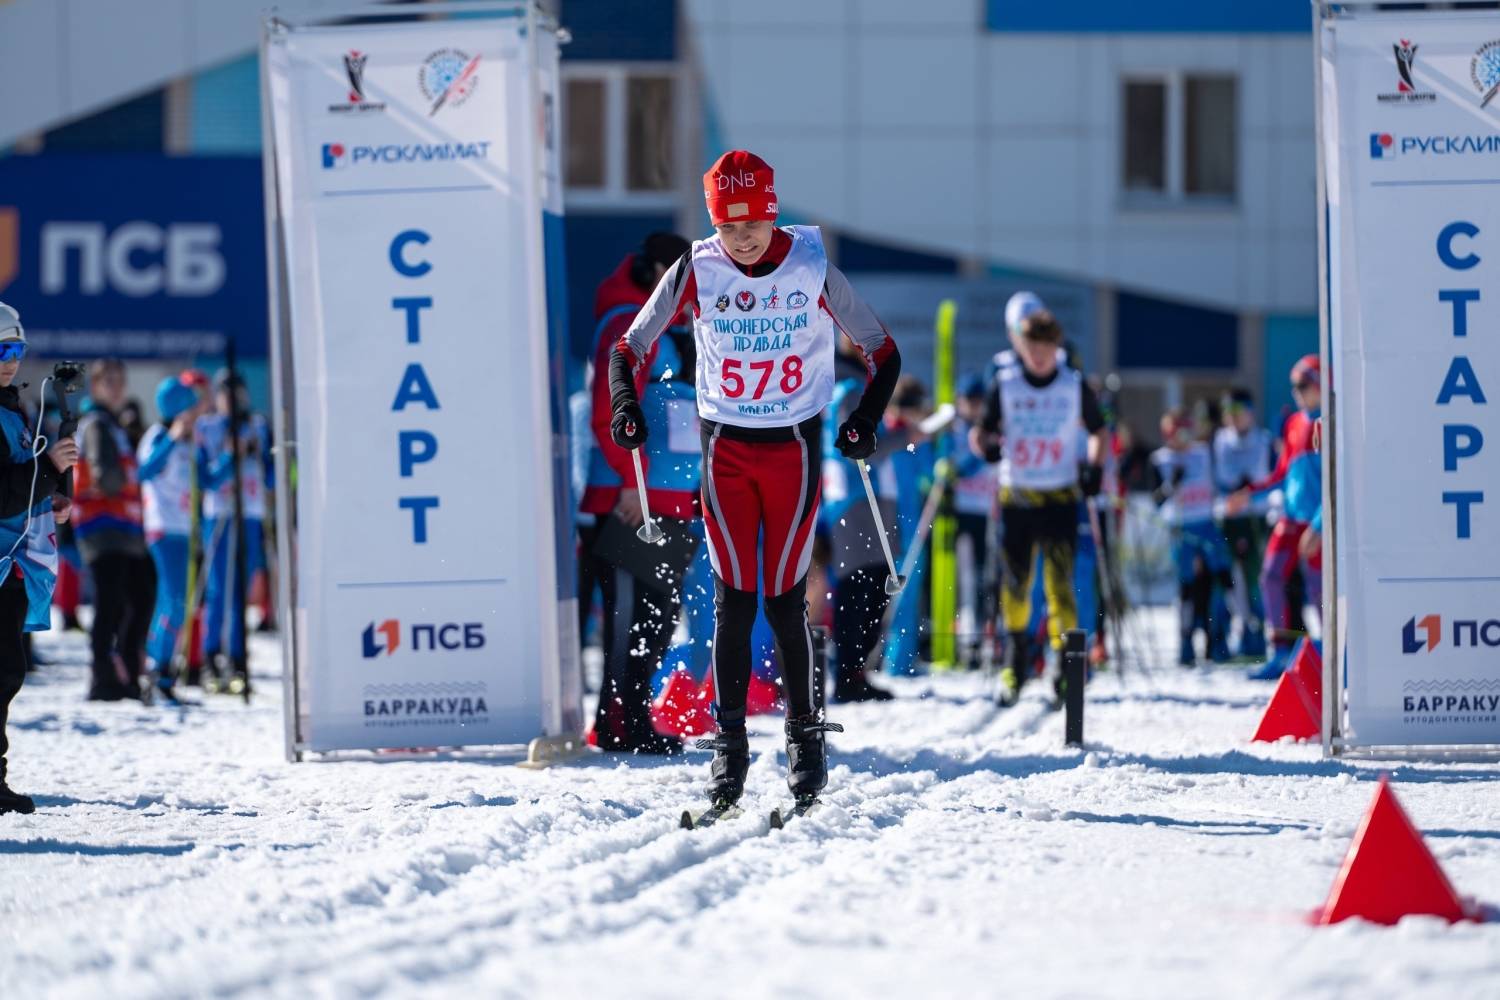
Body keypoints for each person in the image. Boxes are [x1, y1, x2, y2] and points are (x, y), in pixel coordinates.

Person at [610, 150, 901, 807]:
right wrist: (626, 406)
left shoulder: (810, 264)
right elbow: (628, 347)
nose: (741, 240)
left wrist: (865, 419)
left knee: (784, 601)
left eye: (753, 225)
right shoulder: (697, 266)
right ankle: (730, 749)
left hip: (793, 448)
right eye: (728, 227)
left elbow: (883, 352)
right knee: (734, 603)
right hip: (726, 452)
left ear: (773, 214)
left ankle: (805, 739)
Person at [578, 232, 695, 753]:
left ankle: (635, 714)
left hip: (666, 498)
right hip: (631, 502)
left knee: (658, 619)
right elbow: (610, 409)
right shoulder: (629, 321)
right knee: (630, 620)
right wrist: (633, 480)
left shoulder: (668, 324)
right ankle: (619, 722)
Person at [970, 307, 1106, 707]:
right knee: (1016, 584)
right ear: (1022, 348)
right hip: (1018, 496)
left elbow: (1099, 431)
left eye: (1045, 348)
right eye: (1032, 348)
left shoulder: (1072, 384)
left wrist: (1095, 467)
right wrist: (987, 447)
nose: (1039, 356)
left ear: (1056, 347)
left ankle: (1064, 666)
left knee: (1060, 586)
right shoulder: (1006, 384)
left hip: (1059, 495)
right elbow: (981, 432)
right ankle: (1015, 661)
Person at [0, 303, 75, 813]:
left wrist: (48, 498)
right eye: (2, 349)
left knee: (6, 672)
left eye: (18, 349)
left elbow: (17, 488)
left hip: (10, 561)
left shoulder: (11, 409)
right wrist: (47, 468)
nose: (12, 360)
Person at [1232, 355, 1323, 680]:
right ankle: (1281, 652)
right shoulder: (1294, 423)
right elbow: (1282, 474)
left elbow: (1340, 483)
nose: (1297, 392)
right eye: (1294, 386)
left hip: (1318, 522)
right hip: (1292, 518)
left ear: (1320, 384)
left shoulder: (1331, 421)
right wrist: (1249, 493)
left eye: (1303, 385)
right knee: (1270, 576)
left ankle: (1335, 656)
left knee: (1320, 591)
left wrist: (1320, 525)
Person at [74, 358, 155, 701]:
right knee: (110, 604)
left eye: (120, 381)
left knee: (136, 598)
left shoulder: (115, 425)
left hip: (125, 528)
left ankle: (126, 670)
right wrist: (118, 482)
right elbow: (104, 473)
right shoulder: (96, 424)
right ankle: (104, 676)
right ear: (95, 386)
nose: (116, 388)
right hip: (102, 525)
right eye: (109, 381)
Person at [195, 370, 273, 687]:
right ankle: (211, 653)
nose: (232, 399)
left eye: (237, 392)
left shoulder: (257, 425)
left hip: (250, 512)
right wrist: (231, 455)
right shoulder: (207, 427)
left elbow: (272, 475)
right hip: (219, 514)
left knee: (242, 587)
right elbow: (206, 479)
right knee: (218, 588)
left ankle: (239, 655)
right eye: (225, 393)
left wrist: (262, 454)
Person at [137, 374, 203, 702]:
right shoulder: (157, 436)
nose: (195, 415)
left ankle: (163, 669)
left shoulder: (190, 442)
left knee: (179, 602)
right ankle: (157, 667)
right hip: (163, 530)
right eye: (190, 408)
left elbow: (206, 479)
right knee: (174, 600)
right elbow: (144, 471)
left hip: (186, 531)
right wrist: (172, 439)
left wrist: (230, 458)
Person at [1151, 407, 1233, 666]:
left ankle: (1217, 640)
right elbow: (1156, 500)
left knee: (1217, 582)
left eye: (1186, 432)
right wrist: (1171, 485)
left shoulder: (1203, 453)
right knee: (1187, 587)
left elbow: (1221, 483)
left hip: (1207, 524)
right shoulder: (1161, 460)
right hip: (1181, 528)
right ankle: (1186, 642)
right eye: (1176, 434)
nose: (1182, 439)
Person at [1213, 388, 1272, 658]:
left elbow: (1268, 477)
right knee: (1228, 580)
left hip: (1254, 516)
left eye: (1239, 411)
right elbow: (1219, 478)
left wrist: (1249, 491)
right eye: (1229, 412)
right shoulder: (1220, 441)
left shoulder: (1263, 440)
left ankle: (1256, 633)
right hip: (1229, 517)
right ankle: (1226, 636)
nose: (1234, 418)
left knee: (1254, 577)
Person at [949, 373, 998, 670]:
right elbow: (956, 466)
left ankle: (983, 638)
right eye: (969, 401)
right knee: (967, 577)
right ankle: (966, 640)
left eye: (979, 401)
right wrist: (980, 452)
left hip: (989, 512)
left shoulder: (991, 427)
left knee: (986, 578)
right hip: (963, 512)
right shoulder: (954, 430)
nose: (974, 406)